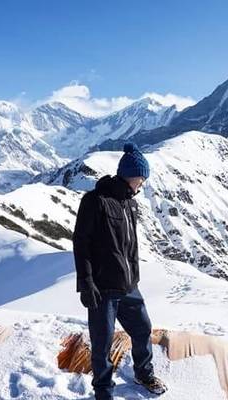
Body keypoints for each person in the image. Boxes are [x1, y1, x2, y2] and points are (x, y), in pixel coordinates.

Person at [72, 142, 168, 399]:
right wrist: (86, 282)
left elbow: (129, 246)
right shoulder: (95, 201)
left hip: (128, 286)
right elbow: (81, 243)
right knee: (102, 344)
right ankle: (103, 391)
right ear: (131, 175)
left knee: (143, 328)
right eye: (141, 178)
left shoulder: (129, 204)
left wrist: (134, 276)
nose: (142, 184)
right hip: (102, 288)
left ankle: (144, 374)